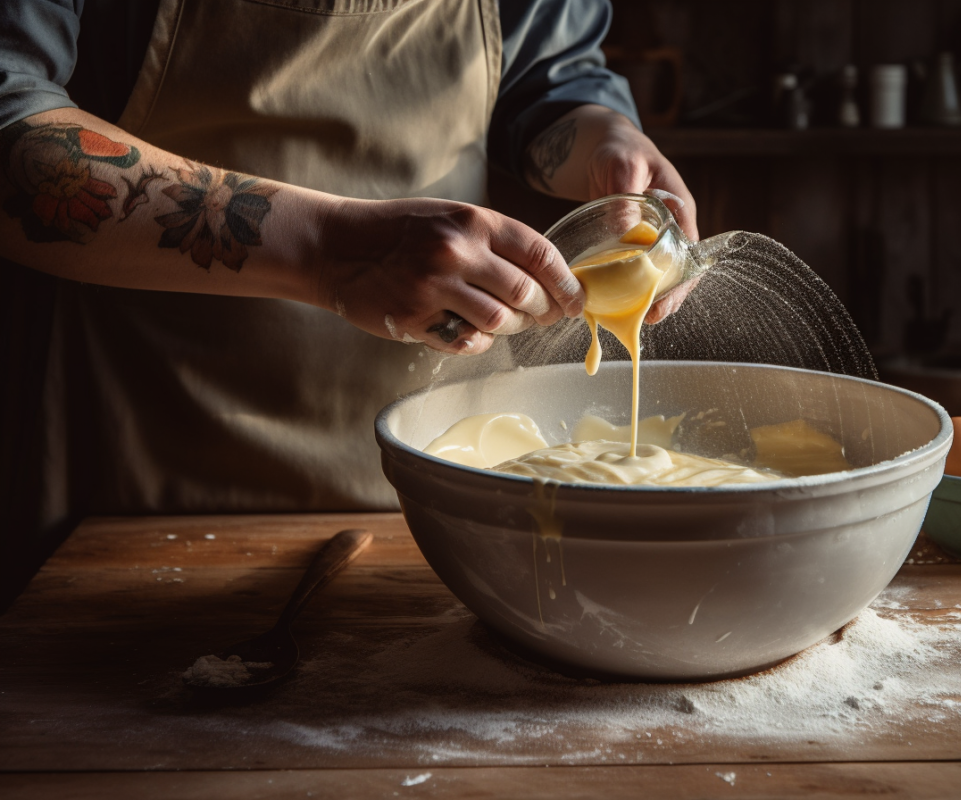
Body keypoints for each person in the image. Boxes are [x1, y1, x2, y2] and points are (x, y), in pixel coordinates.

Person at [0, 0, 697, 599]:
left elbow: (545, 79)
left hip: (450, 474)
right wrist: (330, 249)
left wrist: (603, 136)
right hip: (143, 469)